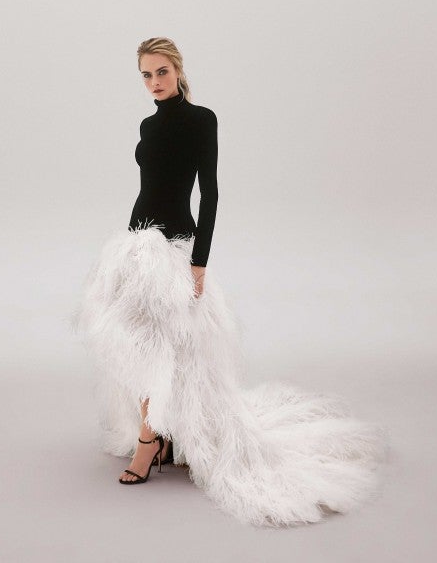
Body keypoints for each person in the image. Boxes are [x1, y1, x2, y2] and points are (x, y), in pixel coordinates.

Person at [71, 37, 387, 527]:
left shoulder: (202, 120)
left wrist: (199, 261)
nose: (154, 82)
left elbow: (211, 193)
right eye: (146, 75)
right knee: (136, 346)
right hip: (134, 246)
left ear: (178, 70)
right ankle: (157, 433)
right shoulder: (148, 125)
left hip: (175, 249)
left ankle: (149, 442)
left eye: (161, 72)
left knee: (163, 348)